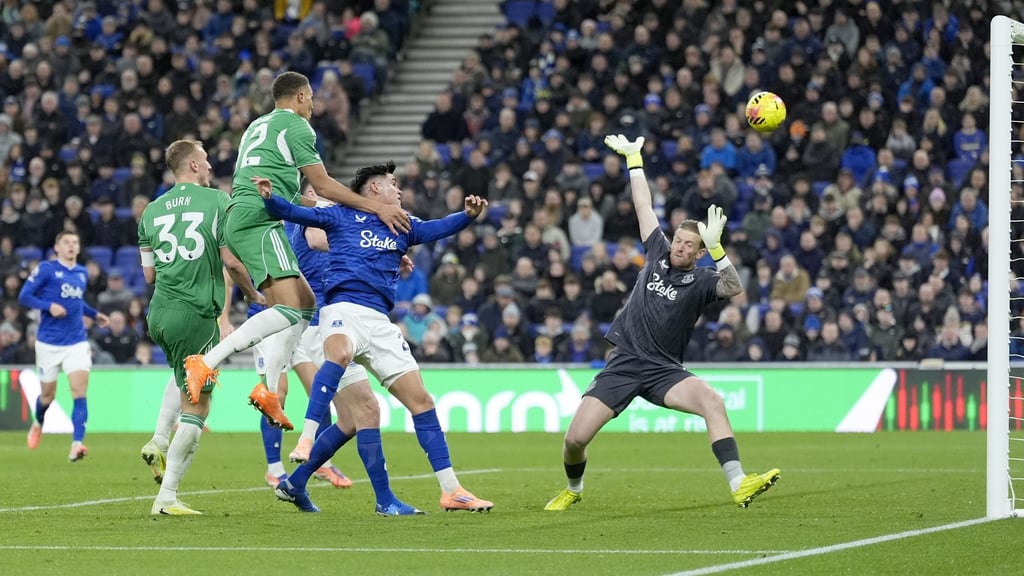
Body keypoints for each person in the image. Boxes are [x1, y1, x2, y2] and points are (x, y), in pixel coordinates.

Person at [544, 135, 780, 512]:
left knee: (713, 401)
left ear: (699, 252)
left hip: (664, 370)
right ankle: (574, 489)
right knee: (574, 439)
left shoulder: (702, 279)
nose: (680, 246)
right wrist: (634, 160)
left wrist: (718, 250)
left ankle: (739, 483)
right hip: (624, 363)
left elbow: (734, 286)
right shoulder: (656, 250)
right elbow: (643, 204)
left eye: (689, 245)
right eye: (679, 240)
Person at [258, 161, 494, 514]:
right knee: (341, 358)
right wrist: (270, 198)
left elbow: (437, 228)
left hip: (380, 323)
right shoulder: (340, 214)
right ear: (374, 188)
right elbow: (295, 214)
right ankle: (307, 441)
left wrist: (467, 216)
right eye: (393, 183)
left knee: (412, 403)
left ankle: (451, 491)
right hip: (340, 311)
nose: (399, 190)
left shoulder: (402, 224)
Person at [181, 71, 410, 431]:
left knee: (304, 303)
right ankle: (206, 363)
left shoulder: (258, 126)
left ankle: (269, 390)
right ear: (301, 96)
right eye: (312, 97)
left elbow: (300, 196)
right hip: (258, 220)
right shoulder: (298, 127)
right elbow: (323, 184)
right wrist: (375, 208)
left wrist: (342, 215)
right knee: (288, 308)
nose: (314, 105)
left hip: (248, 217)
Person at [137, 139, 263, 515]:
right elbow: (232, 262)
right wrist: (253, 294)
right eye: (205, 161)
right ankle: (167, 497)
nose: (209, 166)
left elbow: (148, 275)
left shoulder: (150, 211)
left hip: (160, 313)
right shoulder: (218, 201)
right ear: (192, 165)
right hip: (196, 313)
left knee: (182, 380)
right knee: (198, 407)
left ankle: (160, 439)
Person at [19, 231, 110, 462]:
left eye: (75, 242)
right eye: (67, 242)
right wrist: (48, 306)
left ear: (78, 248)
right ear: (57, 247)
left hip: (76, 342)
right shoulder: (46, 269)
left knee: (79, 392)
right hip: (48, 343)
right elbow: (24, 296)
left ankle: (77, 444)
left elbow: (77, 303)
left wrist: (94, 314)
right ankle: (38, 422)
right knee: (47, 397)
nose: (71, 246)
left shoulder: (81, 272)